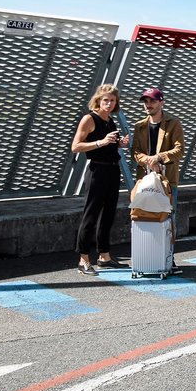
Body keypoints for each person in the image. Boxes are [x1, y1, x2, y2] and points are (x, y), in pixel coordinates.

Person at [71, 84, 131, 275]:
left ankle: (104, 256)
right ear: (98, 100)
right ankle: (83, 259)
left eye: (112, 100)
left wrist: (119, 144)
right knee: (91, 215)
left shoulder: (110, 121)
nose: (109, 103)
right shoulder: (89, 119)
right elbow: (76, 146)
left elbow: (109, 148)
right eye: (106, 100)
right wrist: (101, 142)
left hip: (112, 171)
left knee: (108, 215)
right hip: (97, 171)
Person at [132, 87, 185, 270]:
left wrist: (159, 157)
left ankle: (169, 258)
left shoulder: (173, 123)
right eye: (145, 102)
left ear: (161, 102)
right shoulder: (140, 126)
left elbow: (179, 150)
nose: (148, 105)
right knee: (145, 217)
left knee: (169, 218)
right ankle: (148, 256)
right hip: (145, 181)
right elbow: (136, 153)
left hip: (167, 181)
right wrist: (148, 160)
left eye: (152, 101)